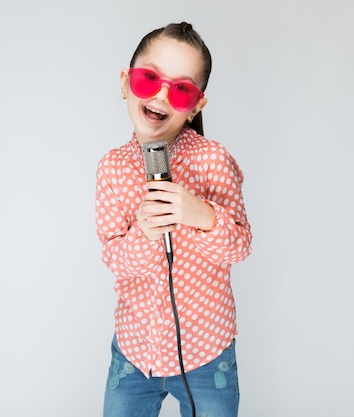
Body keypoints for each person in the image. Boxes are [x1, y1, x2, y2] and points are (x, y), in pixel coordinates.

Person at [95, 22, 253, 417]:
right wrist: (145, 235)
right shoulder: (113, 169)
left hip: (207, 353)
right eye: (149, 79)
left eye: (181, 88)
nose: (162, 94)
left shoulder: (212, 161)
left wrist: (202, 216)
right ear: (125, 83)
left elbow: (241, 246)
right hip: (135, 350)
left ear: (196, 105)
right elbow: (113, 257)